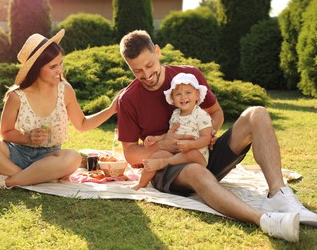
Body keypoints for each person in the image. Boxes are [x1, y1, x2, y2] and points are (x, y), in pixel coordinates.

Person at [117, 30, 317, 242]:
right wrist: (162, 144)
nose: (147, 75)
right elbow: (130, 154)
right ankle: (266, 220)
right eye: (137, 70)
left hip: (205, 152)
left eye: (149, 65)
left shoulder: (189, 76)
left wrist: (208, 133)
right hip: (166, 166)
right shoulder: (128, 99)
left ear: (157, 52)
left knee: (256, 114)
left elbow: (216, 113)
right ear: (129, 67)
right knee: (195, 171)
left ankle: (279, 195)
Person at [0, 29, 118, 189]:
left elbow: (82, 124)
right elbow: (5, 133)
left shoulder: (65, 90)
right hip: (16, 154)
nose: (60, 70)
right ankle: (35, 178)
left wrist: (112, 109)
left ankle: (7, 182)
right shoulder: (16, 96)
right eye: (53, 66)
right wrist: (28, 137)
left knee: (73, 157)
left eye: (61, 63)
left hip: (49, 158)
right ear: (36, 68)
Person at [131, 72, 212, 190]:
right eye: (178, 94)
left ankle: (164, 162)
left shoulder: (201, 114)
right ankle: (141, 184)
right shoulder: (175, 114)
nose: (183, 97)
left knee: (191, 152)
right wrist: (157, 139)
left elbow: (206, 138)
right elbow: (170, 134)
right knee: (157, 155)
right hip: (176, 154)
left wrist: (191, 145)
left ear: (197, 94)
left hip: (197, 157)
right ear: (173, 99)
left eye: (188, 92)